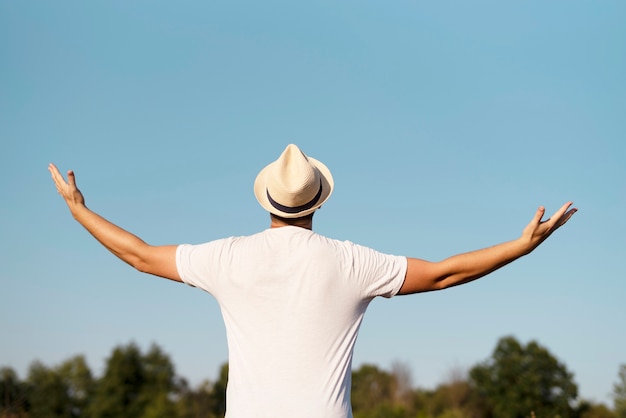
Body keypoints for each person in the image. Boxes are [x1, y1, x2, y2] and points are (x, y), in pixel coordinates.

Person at [49, 144, 576, 418]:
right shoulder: (350, 263)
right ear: (319, 201)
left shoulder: (229, 258)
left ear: (267, 201)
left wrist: (80, 213)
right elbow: (443, 275)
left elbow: (139, 256)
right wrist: (521, 245)